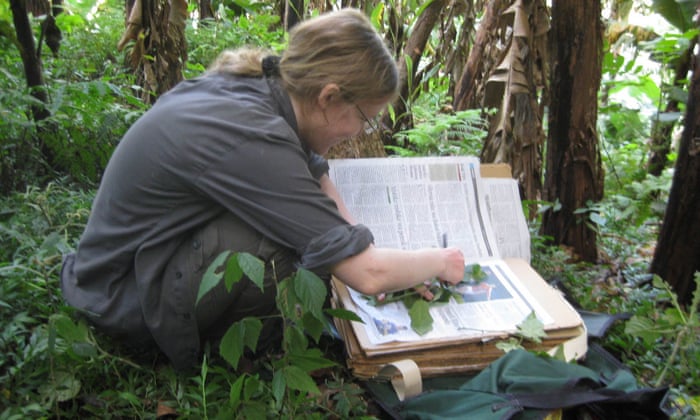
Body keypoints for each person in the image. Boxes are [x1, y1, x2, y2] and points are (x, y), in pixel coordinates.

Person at [60, 8, 465, 370]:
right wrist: (441, 261)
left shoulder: (262, 89)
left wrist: (359, 240)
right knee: (292, 253)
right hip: (122, 298)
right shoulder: (255, 135)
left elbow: (319, 180)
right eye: (365, 118)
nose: (360, 132)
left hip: (114, 272)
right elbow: (367, 275)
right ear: (329, 97)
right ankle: (239, 355)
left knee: (316, 236)